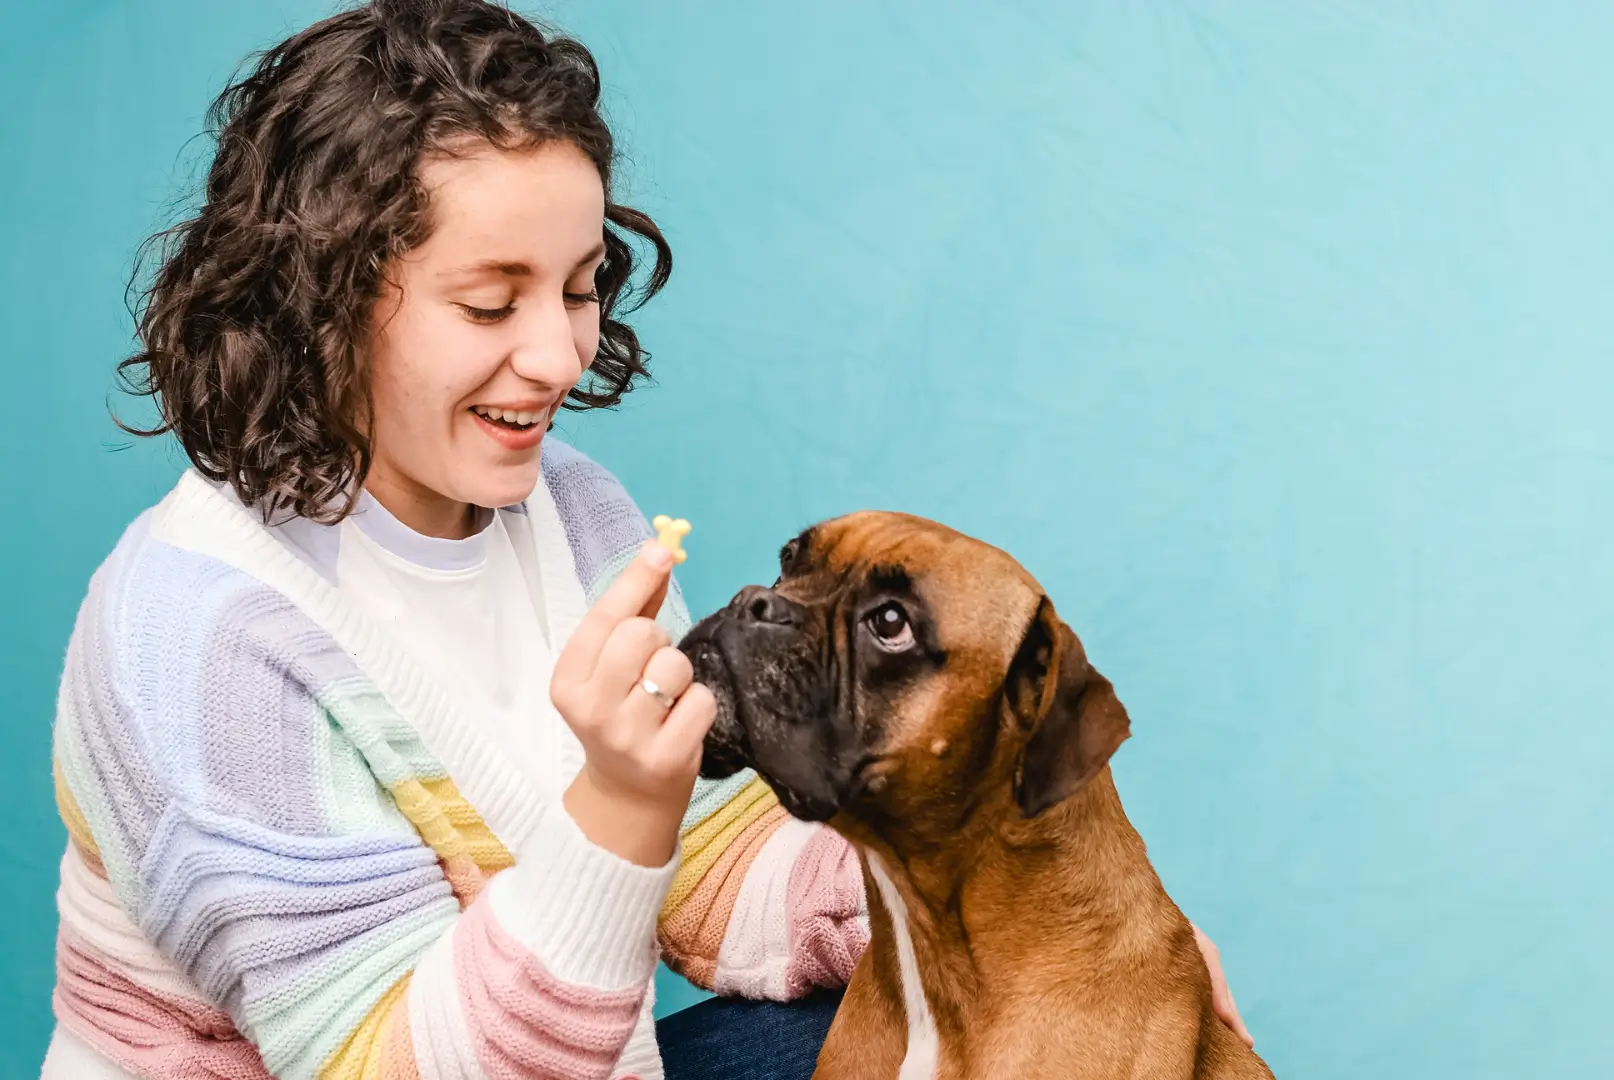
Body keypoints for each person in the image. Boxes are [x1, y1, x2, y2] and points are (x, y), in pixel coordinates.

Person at [42, 2, 1249, 1077]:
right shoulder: (197, 641)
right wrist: (616, 811)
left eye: (579, 286)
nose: (562, 356)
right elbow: (385, 1062)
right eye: (489, 300)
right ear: (320, 296)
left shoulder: (568, 507)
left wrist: (1087, 948)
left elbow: (716, 877)